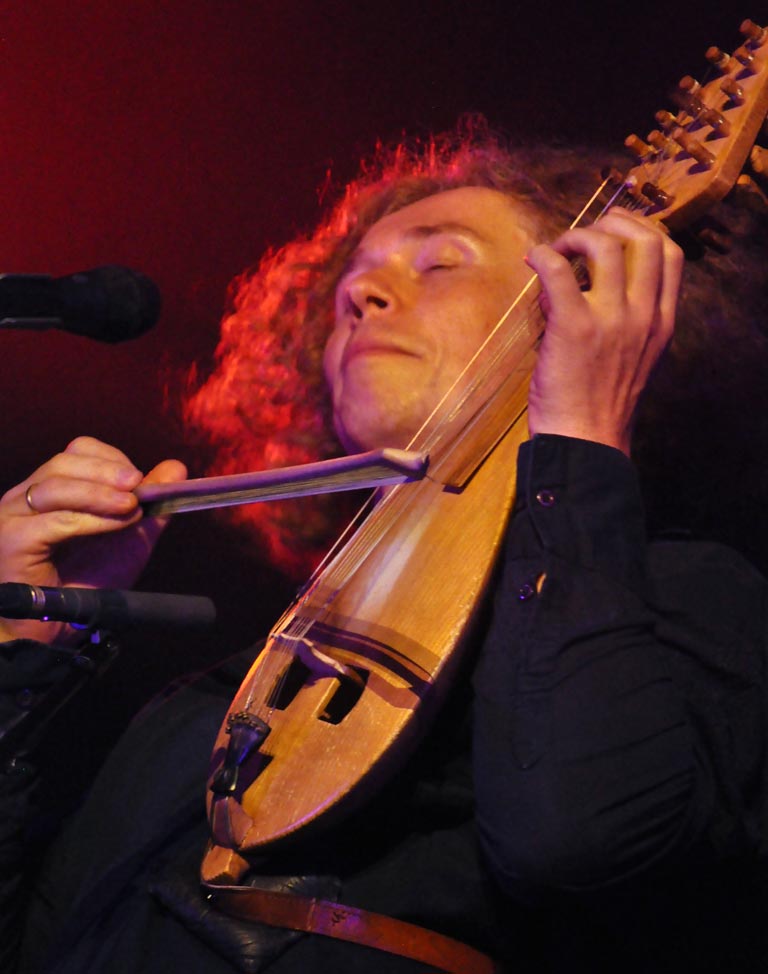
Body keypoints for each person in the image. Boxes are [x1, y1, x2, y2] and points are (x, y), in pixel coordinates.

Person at [1, 119, 767, 973]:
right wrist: (20, 651)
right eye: (347, 293)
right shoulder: (218, 700)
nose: (362, 294)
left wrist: (578, 438)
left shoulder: (685, 595)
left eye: (440, 262)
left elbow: (578, 842)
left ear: (591, 301)